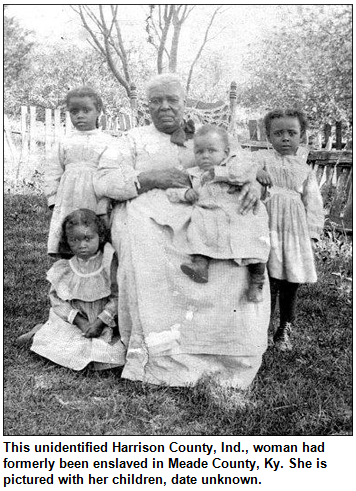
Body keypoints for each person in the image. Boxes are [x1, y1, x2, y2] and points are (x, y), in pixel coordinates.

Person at [94, 73, 270, 388]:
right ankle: (160, 356)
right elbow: (105, 179)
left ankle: (229, 354)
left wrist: (255, 182)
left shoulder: (207, 134)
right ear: (146, 107)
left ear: (183, 102)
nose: (164, 107)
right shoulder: (133, 138)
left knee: (239, 236)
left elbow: (244, 163)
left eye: (172, 100)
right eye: (156, 101)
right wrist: (150, 178)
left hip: (208, 210)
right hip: (150, 210)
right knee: (146, 240)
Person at [165, 124, 270, 302]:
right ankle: (200, 265)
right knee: (197, 227)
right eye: (199, 152)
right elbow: (171, 191)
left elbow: (247, 173)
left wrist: (219, 172)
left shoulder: (233, 164)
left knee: (254, 238)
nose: (205, 156)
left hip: (238, 212)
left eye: (211, 150)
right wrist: (185, 193)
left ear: (225, 152)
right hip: (209, 213)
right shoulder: (193, 174)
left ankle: (257, 281)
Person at [19, 209, 125, 370]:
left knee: (109, 357)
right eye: (74, 240)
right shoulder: (66, 268)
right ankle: (39, 332)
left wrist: (101, 321)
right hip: (76, 323)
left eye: (88, 239)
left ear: (100, 237)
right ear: (67, 241)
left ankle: (44, 332)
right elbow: (57, 300)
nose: (82, 245)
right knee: (65, 347)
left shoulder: (108, 263)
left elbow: (118, 296)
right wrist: (78, 320)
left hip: (102, 323)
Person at [254, 109, 324, 351]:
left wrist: (313, 234)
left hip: (294, 231)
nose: (285, 138)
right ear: (269, 136)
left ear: (301, 135)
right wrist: (256, 172)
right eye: (278, 133)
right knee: (268, 278)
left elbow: (313, 204)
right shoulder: (262, 160)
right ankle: (262, 328)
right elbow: (237, 164)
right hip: (268, 226)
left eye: (292, 133)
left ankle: (284, 328)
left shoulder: (305, 169)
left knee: (290, 279)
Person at [44, 86, 114, 257]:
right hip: (67, 196)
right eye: (74, 111)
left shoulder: (108, 141)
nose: (80, 115)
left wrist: (108, 199)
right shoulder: (64, 141)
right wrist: (53, 198)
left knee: (94, 233)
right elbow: (53, 171)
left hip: (94, 195)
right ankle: (68, 266)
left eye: (86, 110)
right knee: (70, 231)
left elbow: (112, 171)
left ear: (98, 111)